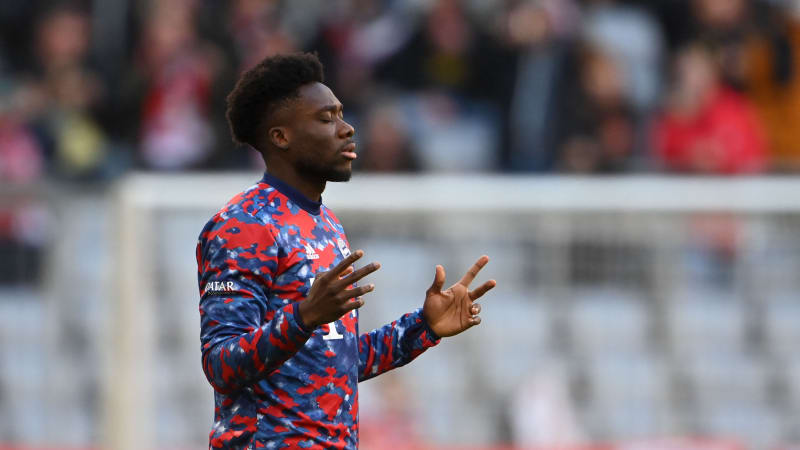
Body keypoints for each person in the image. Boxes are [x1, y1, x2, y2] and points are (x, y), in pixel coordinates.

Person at [196, 52, 496, 449]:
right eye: (326, 119)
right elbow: (221, 364)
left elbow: (334, 361)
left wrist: (422, 327)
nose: (347, 128)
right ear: (280, 136)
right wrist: (302, 318)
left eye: (341, 114)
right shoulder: (243, 226)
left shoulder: (326, 224)